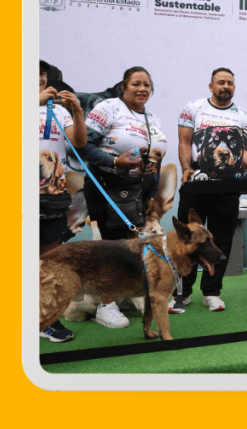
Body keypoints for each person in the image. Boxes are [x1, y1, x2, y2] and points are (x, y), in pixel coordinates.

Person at [78, 66, 168, 328]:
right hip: (106, 188)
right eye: (135, 84)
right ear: (123, 87)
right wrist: (115, 161)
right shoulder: (108, 108)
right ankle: (105, 307)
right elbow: (84, 147)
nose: (142, 89)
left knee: (130, 250)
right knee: (112, 250)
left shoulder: (152, 118)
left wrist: (151, 192)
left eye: (147, 85)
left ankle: (121, 297)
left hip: (136, 192)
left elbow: (155, 157)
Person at [175, 67, 247, 313]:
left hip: (228, 188)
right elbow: (184, 142)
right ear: (211, 86)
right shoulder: (193, 108)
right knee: (187, 238)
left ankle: (212, 292)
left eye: (230, 83)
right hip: (195, 184)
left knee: (222, 240)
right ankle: (181, 293)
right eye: (221, 82)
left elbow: (245, 151)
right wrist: (186, 167)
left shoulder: (243, 115)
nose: (225, 86)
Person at [38, 61, 86, 342]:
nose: (38, 80)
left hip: (52, 198)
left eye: (41, 76)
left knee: (49, 261)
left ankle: (46, 320)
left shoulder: (55, 112)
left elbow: (78, 143)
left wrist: (77, 112)